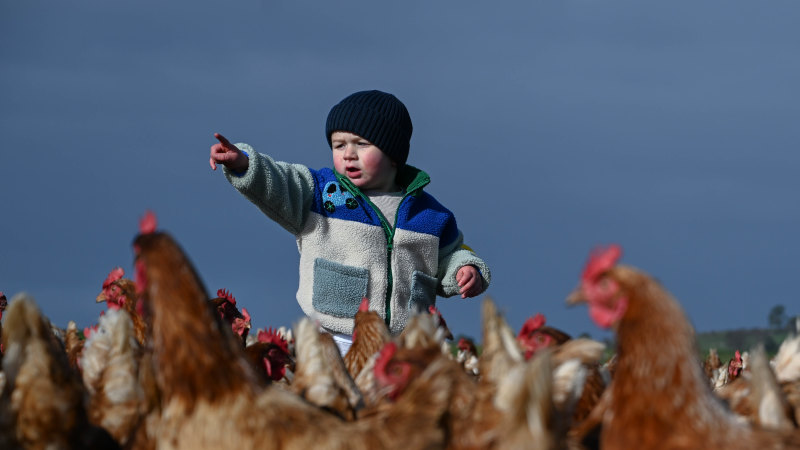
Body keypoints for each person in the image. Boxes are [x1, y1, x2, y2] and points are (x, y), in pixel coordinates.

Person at [209, 90, 491, 354]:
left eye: (361, 144)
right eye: (339, 144)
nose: (348, 154)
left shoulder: (429, 214)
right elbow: (281, 182)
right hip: (336, 336)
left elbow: (451, 254)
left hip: (405, 343)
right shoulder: (320, 193)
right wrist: (244, 164)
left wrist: (465, 269)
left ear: (393, 154)